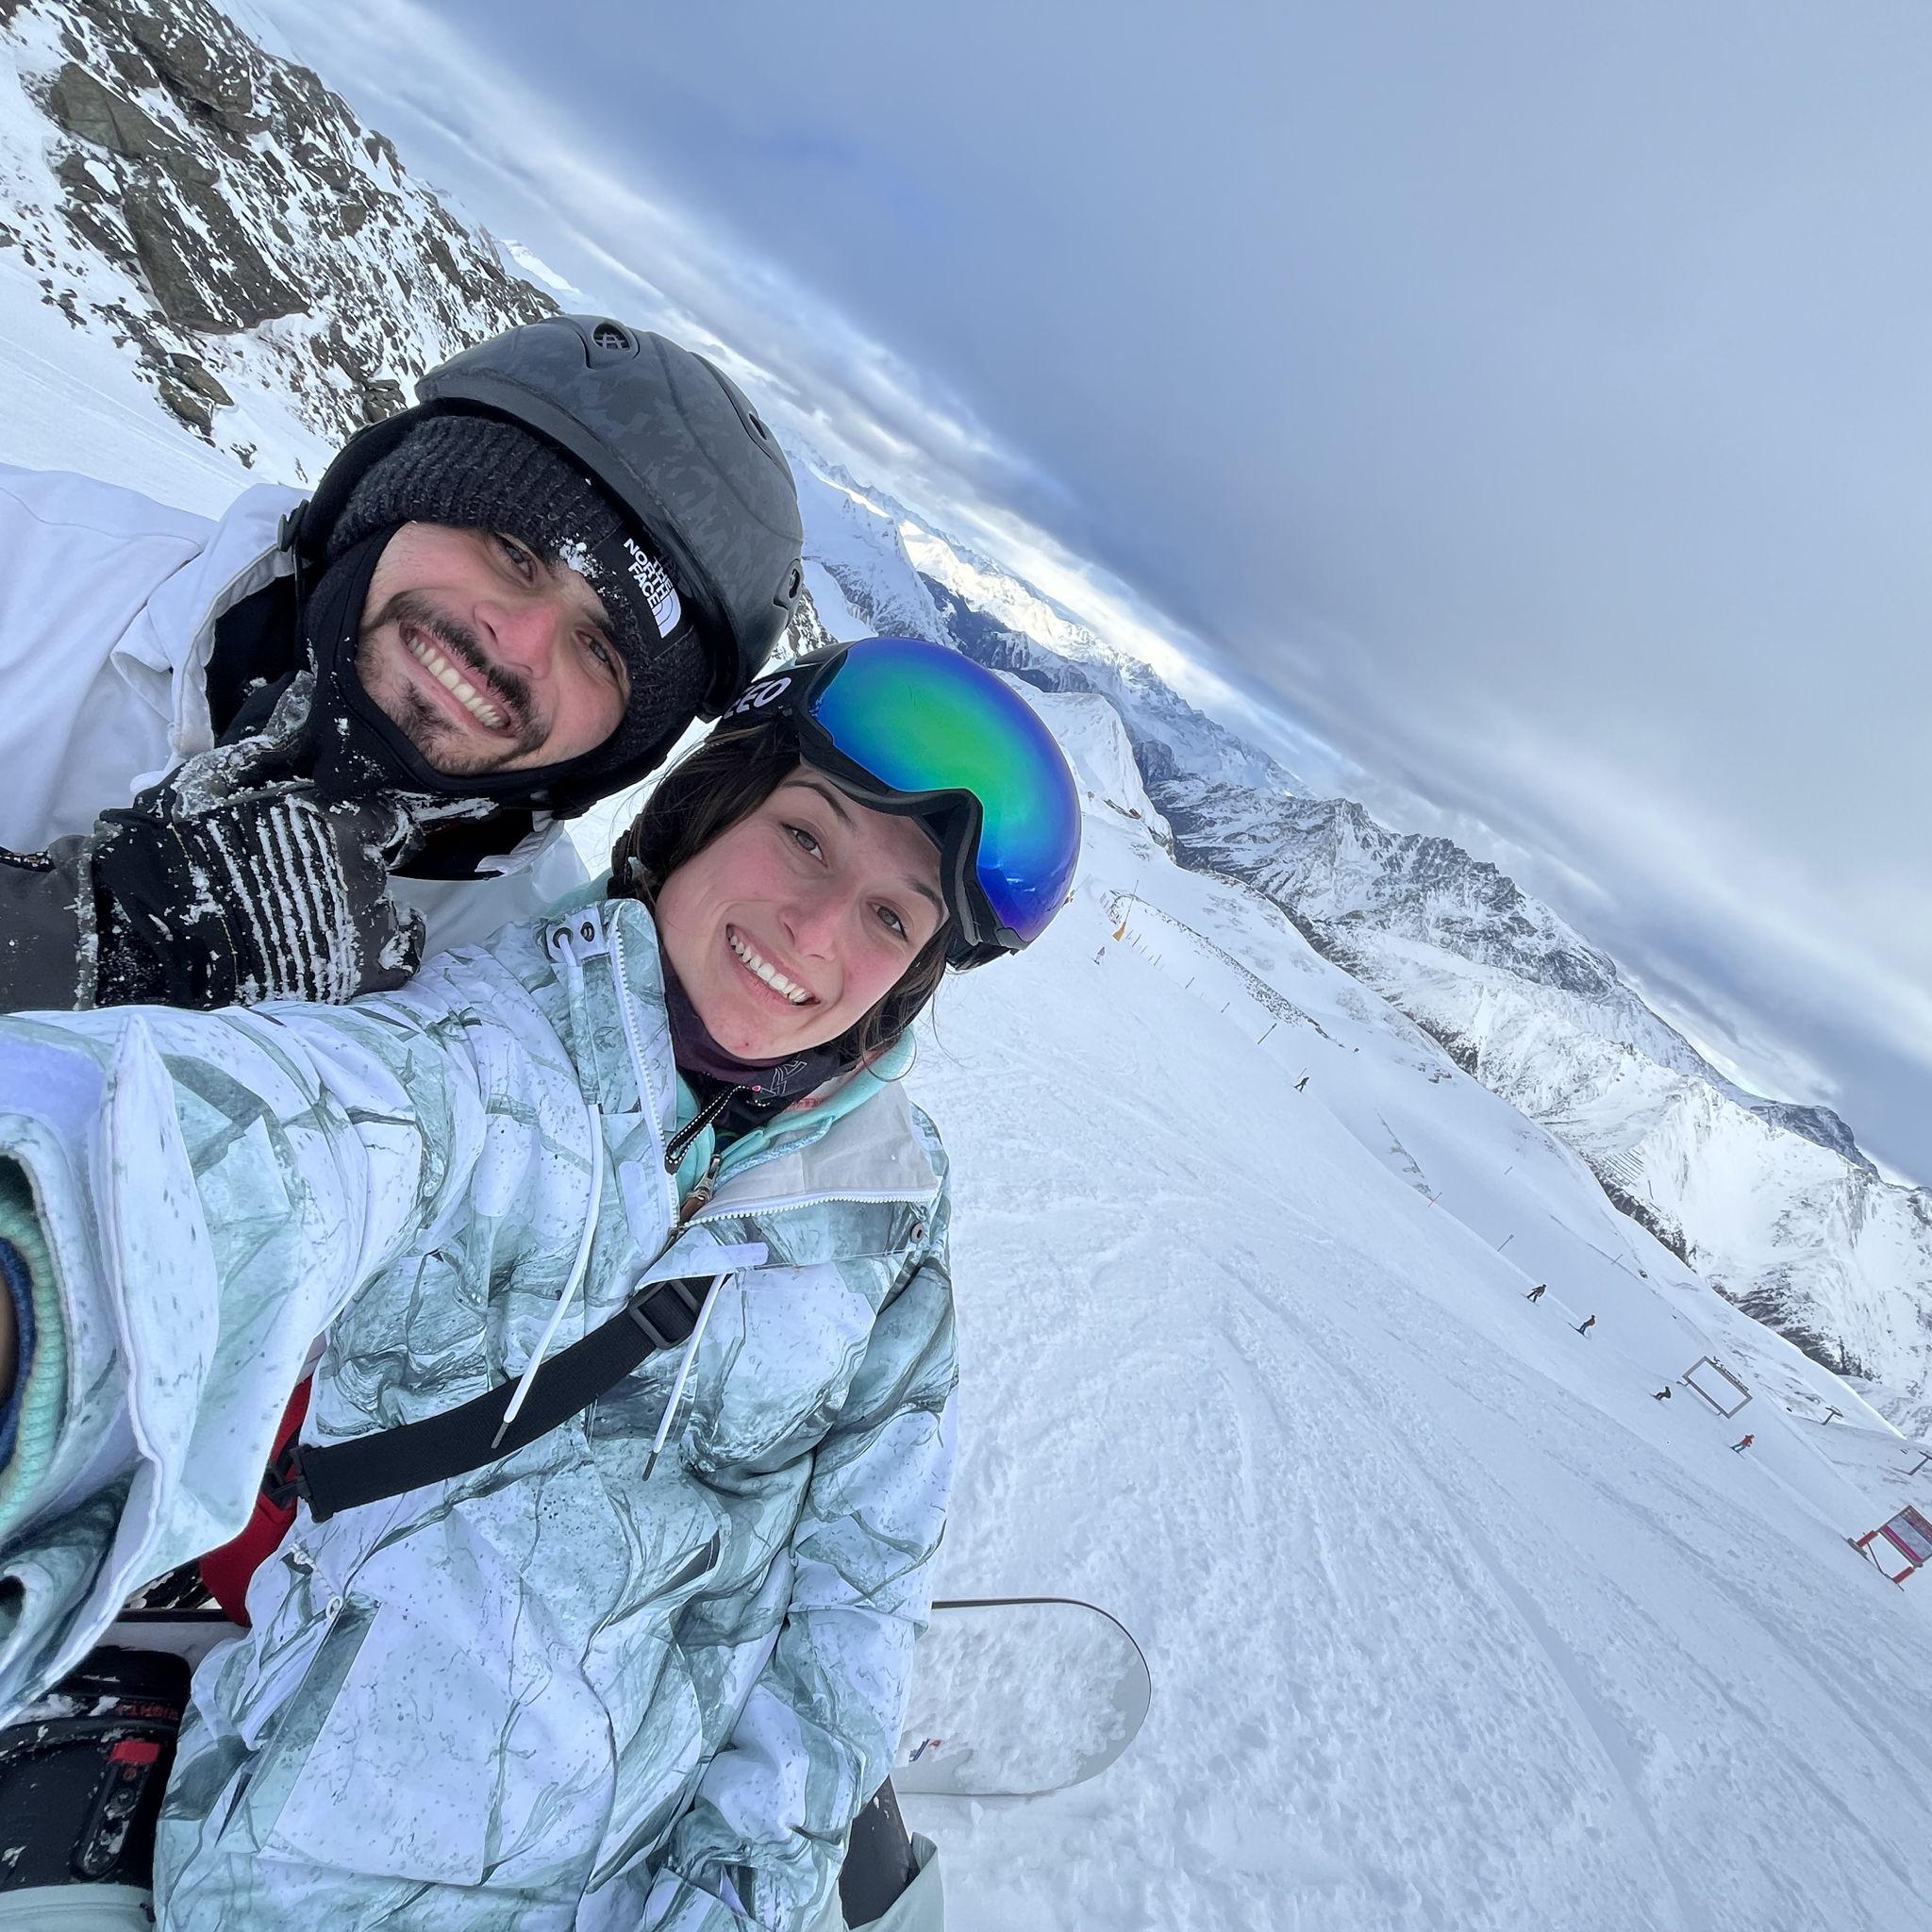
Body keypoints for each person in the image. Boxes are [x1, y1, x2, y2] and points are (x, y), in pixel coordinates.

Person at [0, 638, 1080, 1929]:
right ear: (709, 807)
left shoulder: (887, 1205)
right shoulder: (476, 1053)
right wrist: (38, 1276)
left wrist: (746, 1896)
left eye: (892, 917)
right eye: (806, 838)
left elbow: (859, 1586)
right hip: (330, 1881)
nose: (816, 930)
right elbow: (233, 1161)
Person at [0, 312, 804, 1013]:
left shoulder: (520, 959)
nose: (517, 646)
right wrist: (91, 935)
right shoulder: (33, 565)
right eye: (514, 553)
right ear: (383, 507)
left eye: (600, 650)